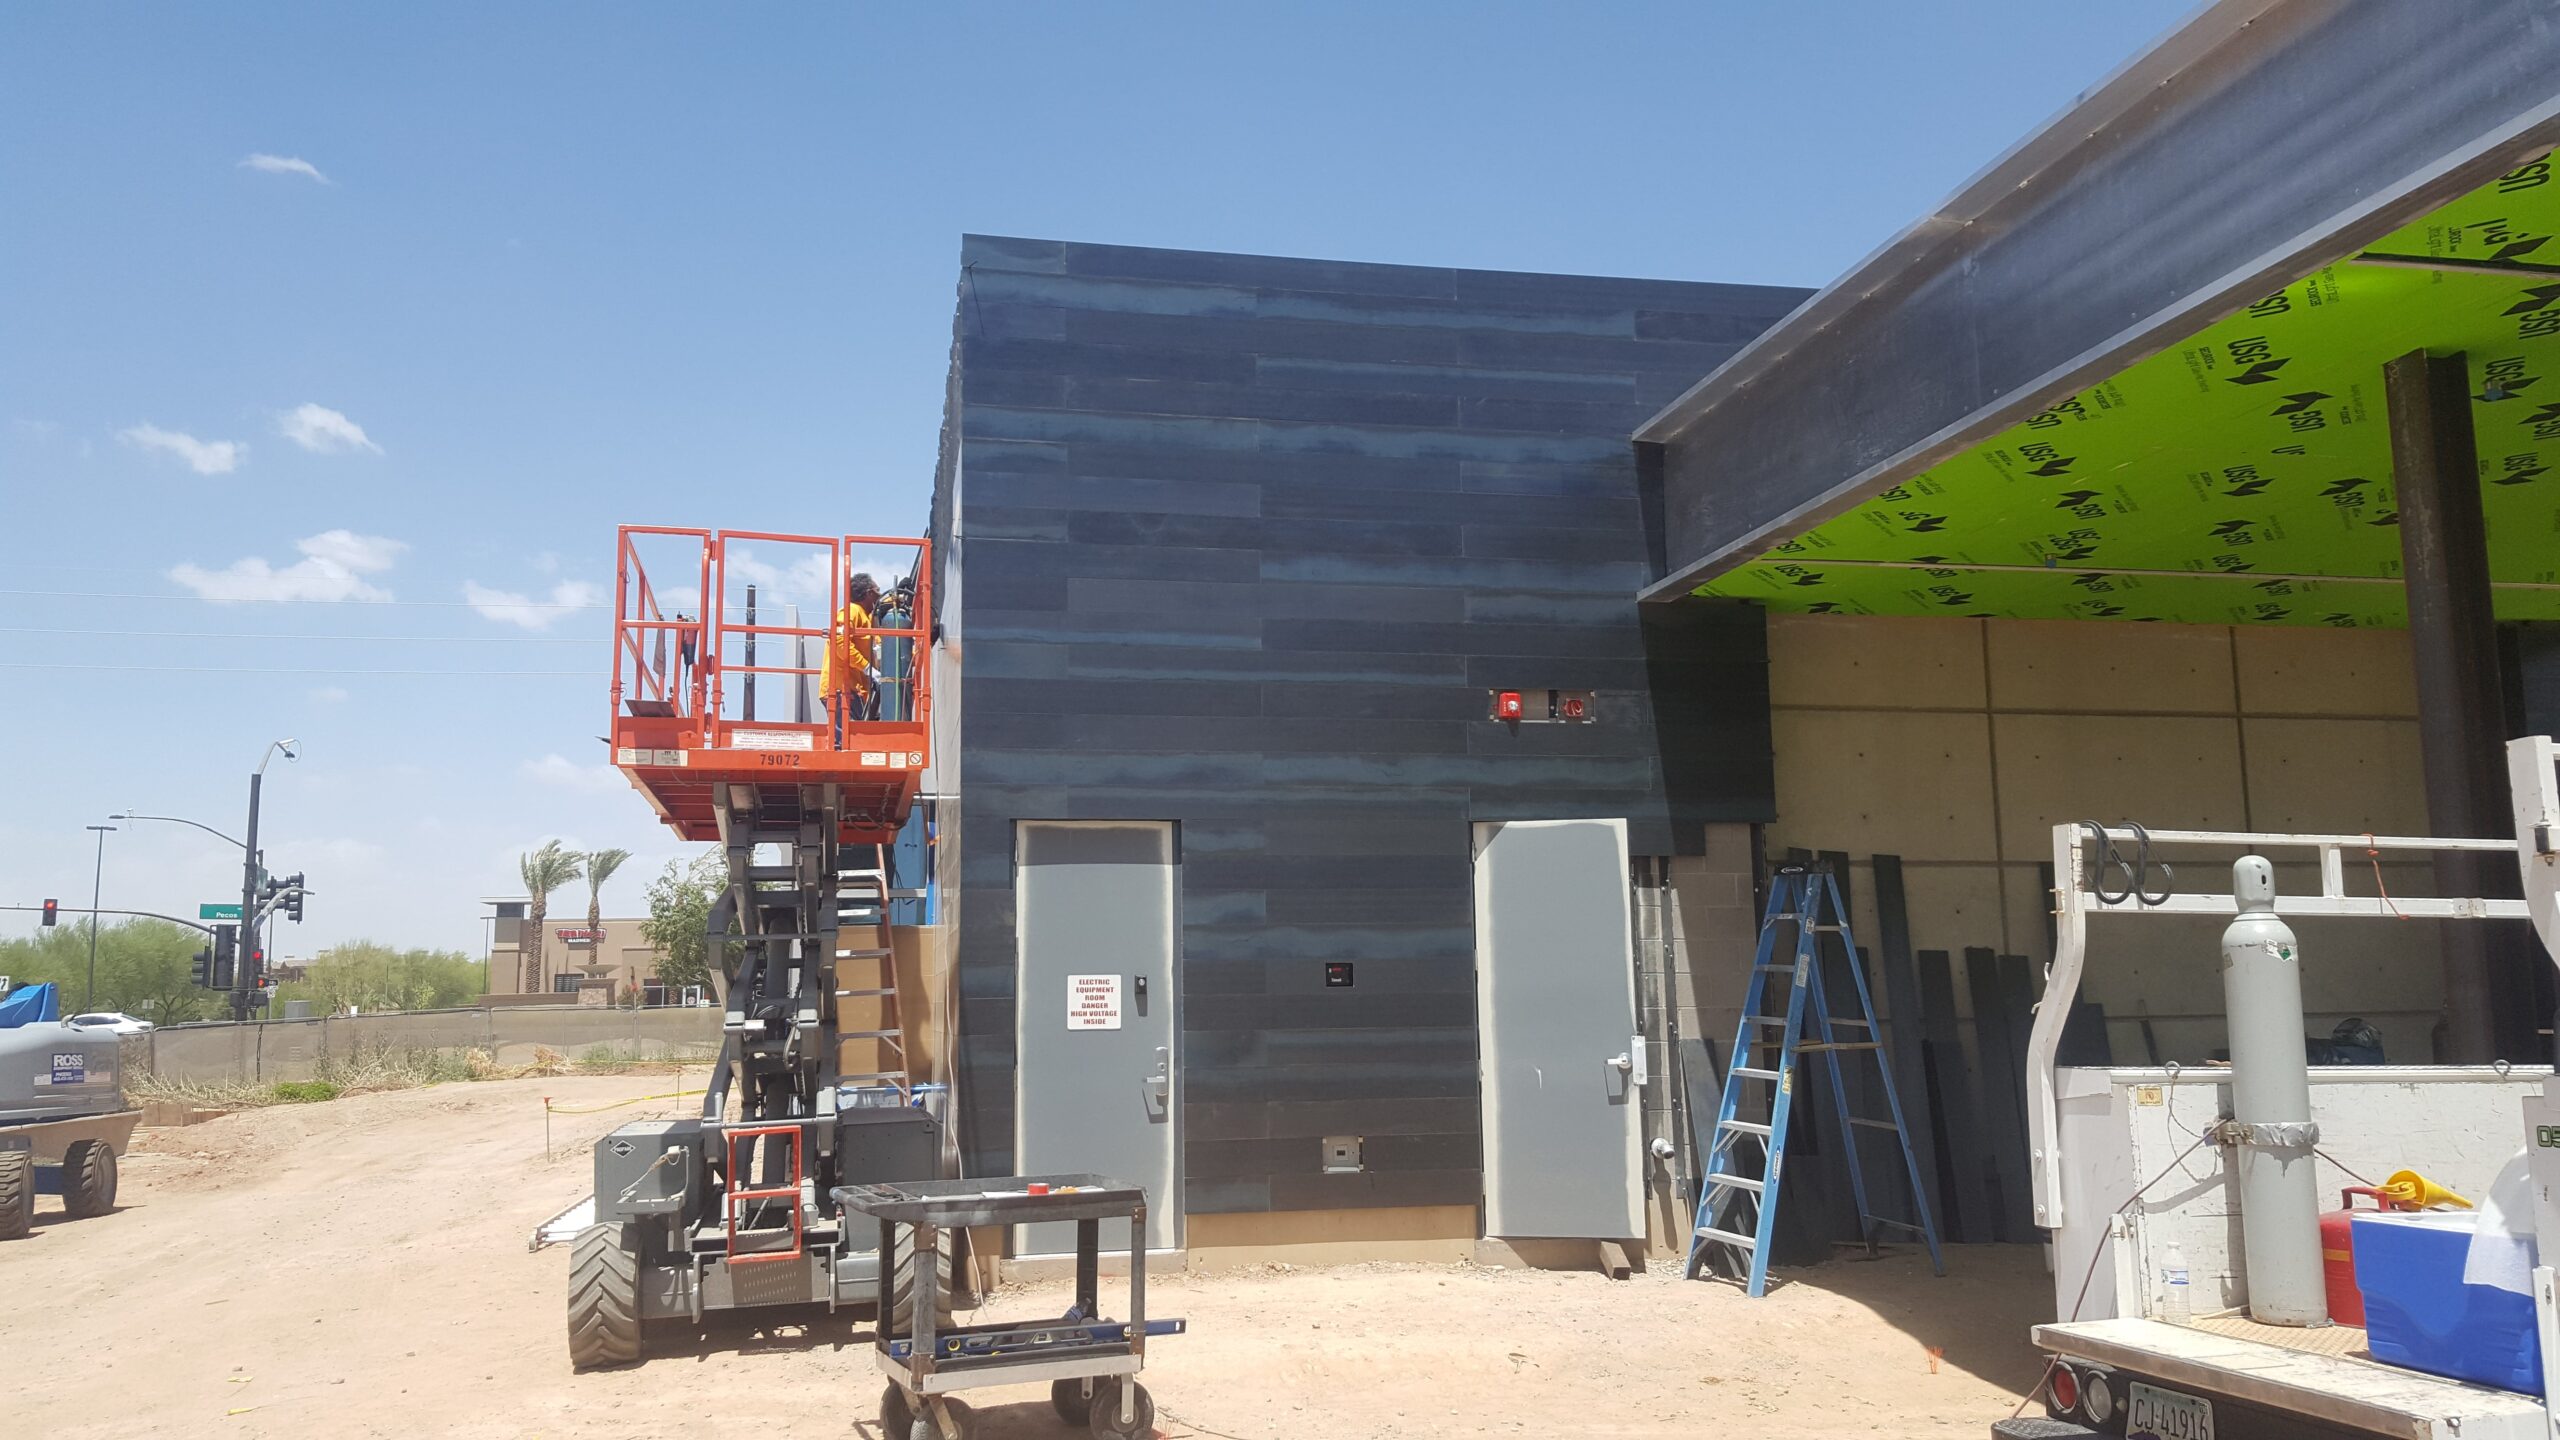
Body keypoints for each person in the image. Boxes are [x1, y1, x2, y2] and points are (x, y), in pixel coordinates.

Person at [821, 572, 883, 739]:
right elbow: (839, 640)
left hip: (854, 690)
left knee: (856, 740)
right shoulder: (852, 611)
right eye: (878, 591)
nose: (879, 596)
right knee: (849, 742)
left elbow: (881, 647)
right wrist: (867, 667)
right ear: (869, 593)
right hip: (841, 690)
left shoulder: (867, 619)